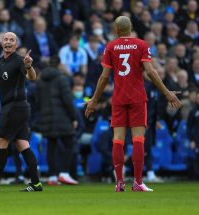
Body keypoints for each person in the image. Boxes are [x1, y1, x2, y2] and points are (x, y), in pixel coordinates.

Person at [85, 16, 181, 192]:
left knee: (118, 140)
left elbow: (104, 76)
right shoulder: (142, 45)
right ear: (130, 29)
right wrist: (167, 93)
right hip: (137, 97)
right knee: (138, 139)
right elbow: (150, 72)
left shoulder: (111, 46)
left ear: (116, 29)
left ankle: (119, 182)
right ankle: (137, 182)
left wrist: (94, 100)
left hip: (119, 98)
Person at [0, 32, 42, 192]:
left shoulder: (19, 61)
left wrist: (29, 66)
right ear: (1, 42)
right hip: (15, 108)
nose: (8, 42)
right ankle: (36, 183)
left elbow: (32, 77)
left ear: (16, 44)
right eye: (6, 39)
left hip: (15, 107)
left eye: (12, 40)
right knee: (22, 144)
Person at [34, 56, 78, 185]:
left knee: (51, 147)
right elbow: (68, 101)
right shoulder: (61, 79)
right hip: (62, 118)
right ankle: (64, 173)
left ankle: (52, 176)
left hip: (46, 119)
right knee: (69, 143)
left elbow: (38, 101)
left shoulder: (41, 81)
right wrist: (73, 117)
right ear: (59, 65)